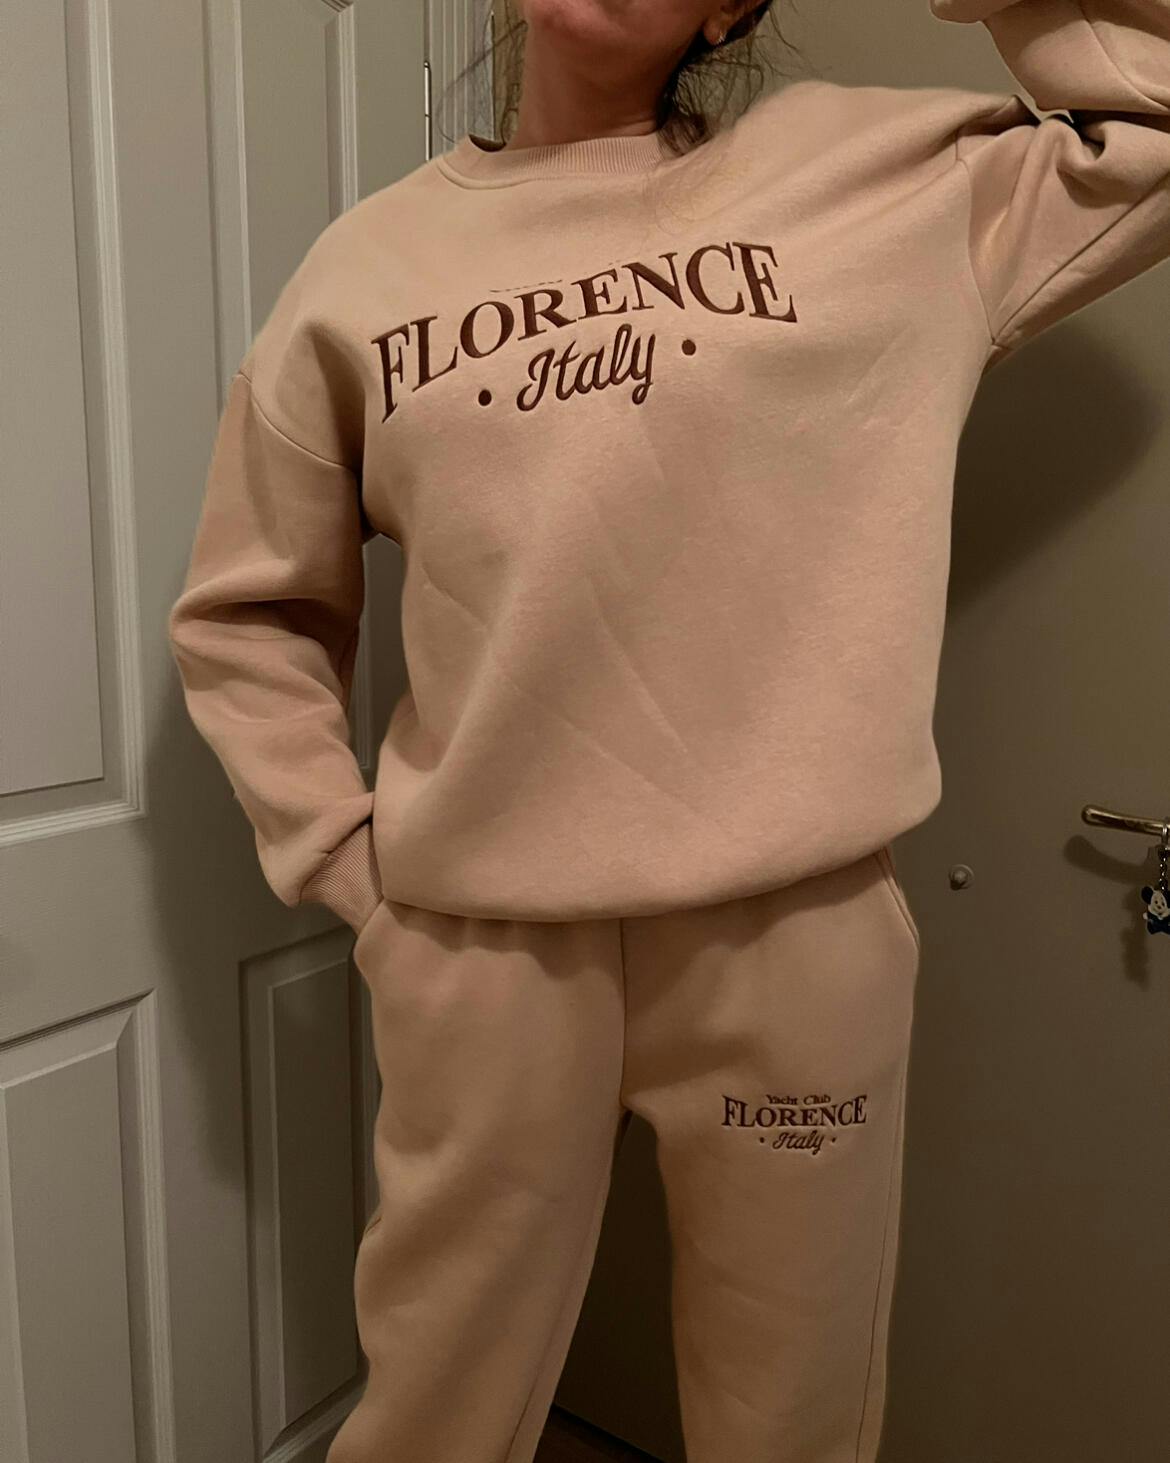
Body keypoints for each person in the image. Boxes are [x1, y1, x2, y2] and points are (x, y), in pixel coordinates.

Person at [167, 2, 1170, 1459]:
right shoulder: (364, 268)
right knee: (435, 1415)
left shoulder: (885, 178)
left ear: (730, 6)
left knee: (792, 1422)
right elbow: (245, 613)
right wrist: (348, 870)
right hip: (483, 954)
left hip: (793, 941)